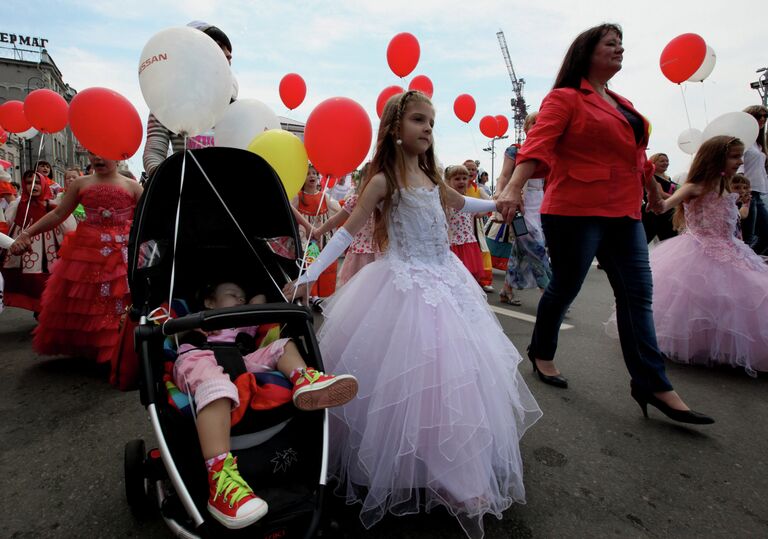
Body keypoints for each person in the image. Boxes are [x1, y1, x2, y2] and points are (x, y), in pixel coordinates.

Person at [283, 90, 541, 539]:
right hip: (404, 286)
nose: (427, 129)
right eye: (419, 120)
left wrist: (496, 203)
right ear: (395, 129)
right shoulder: (383, 180)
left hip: (447, 281)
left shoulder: (430, 174)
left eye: (431, 123)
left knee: (457, 380)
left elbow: (460, 205)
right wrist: (309, 275)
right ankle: (412, 467)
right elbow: (347, 233)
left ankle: (459, 474)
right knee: (410, 382)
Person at [496, 23, 713, 425]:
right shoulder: (564, 98)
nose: (620, 50)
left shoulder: (623, 103)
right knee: (565, 287)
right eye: (610, 44)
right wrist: (512, 188)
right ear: (586, 52)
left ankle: (652, 383)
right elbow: (537, 145)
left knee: (637, 295)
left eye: (622, 45)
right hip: (575, 209)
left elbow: (639, 155)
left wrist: (653, 192)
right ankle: (542, 352)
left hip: (626, 211)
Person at [173, 280, 358, 529]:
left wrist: (244, 301)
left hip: (241, 358)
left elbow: (259, 297)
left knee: (282, 345)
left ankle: (304, 379)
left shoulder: (246, 320)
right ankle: (220, 480)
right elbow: (171, 331)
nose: (240, 300)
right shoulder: (197, 320)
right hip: (199, 357)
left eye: (242, 297)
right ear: (209, 302)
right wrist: (200, 320)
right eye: (231, 295)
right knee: (217, 388)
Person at [648, 136, 768, 375]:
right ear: (716, 158)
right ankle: (700, 344)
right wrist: (650, 185)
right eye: (734, 156)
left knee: (737, 298)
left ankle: (725, 346)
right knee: (700, 299)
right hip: (699, 249)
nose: (740, 161)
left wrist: (744, 204)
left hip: (731, 249)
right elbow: (665, 205)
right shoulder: (695, 187)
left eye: (740, 156)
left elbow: (738, 219)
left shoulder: (726, 187)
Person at [10, 153, 141, 363]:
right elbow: (57, 214)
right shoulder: (81, 183)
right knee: (88, 301)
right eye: (93, 153)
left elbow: (150, 219)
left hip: (123, 254)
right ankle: (95, 347)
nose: (98, 158)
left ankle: (118, 348)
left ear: (117, 154)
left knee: (117, 300)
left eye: (104, 153)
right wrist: (26, 233)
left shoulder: (133, 187)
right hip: (87, 254)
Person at [142, 22, 235, 177]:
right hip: (186, 193)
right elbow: (154, 152)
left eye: (229, 50)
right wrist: (166, 180)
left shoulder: (233, 105)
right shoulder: (165, 101)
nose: (228, 55)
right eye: (218, 46)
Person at [495, 112, 552, 305]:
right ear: (526, 127)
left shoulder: (547, 151)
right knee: (535, 245)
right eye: (534, 122)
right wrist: (499, 193)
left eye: (541, 123)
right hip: (518, 206)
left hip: (540, 204)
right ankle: (549, 292)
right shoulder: (515, 150)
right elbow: (503, 176)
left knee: (521, 248)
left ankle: (506, 290)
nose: (537, 125)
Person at [2, 171, 75, 313]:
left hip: (49, 249)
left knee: (45, 279)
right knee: (28, 281)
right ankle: (38, 308)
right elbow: (9, 222)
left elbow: (68, 226)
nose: (33, 186)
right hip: (24, 248)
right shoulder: (18, 204)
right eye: (29, 182)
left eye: (37, 182)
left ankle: (45, 308)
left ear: (44, 185)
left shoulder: (52, 205)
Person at [311, 164, 379, 287]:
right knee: (355, 289)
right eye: (367, 179)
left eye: (374, 180)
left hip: (379, 254)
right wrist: (318, 231)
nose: (371, 185)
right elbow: (334, 220)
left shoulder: (385, 204)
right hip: (359, 254)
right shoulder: (355, 201)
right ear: (360, 181)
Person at [291, 164, 341, 302]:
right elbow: (290, 212)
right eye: (308, 174)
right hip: (305, 237)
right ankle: (312, 296)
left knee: (321, 264)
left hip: (321, 235)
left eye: (314, 173)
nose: (312, 176)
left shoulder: (324, 196)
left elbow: (336, 210)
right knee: (309, 264)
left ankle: (320, 294)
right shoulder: (299, 197)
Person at [446, 164, 485, 283]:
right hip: (453, 244)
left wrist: (496, 207)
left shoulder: (468, 200)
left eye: (464, 178)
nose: (461, 181)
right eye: (457, 179)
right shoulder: (446, 201)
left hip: (469, 243)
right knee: (454, 278)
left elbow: (479, 213)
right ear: (448, 182)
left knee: (471, 278)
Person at [462, 159, 494, 292]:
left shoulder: (478, 189)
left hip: (475, 224)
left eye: (473, 169)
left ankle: (484, 280)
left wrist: (480, 214)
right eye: (468, 169)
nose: (471, 172)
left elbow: (491, 203)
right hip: (459, 225)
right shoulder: (457, 186)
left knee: (483, 250)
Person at [740, 105, 768, 254]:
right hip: (747, 194)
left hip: (758, 193)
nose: (762, 119)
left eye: (765, 116)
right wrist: (743, 192)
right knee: (748, 238)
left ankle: (750, 265)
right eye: (758, 116)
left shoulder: (758, 144)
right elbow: (739, 168)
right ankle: (744, 267)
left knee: (764, 236)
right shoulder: (743, 141)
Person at [641, 153, 677, 243]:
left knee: (670, 242)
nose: (666, 163)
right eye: (662, 161)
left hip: (668, 213)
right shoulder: (651, 178)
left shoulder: (667, 178)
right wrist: (679, 198)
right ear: (653, 163)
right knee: (643, 240)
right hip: (653, 213)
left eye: (667, 161)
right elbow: (660, 194)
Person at [731, 173, 752, 239]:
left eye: (745, 188)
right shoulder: (725, 205)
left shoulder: (735, 205)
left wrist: (746, 203)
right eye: (737, 187)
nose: (742, 191)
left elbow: (742, 215)